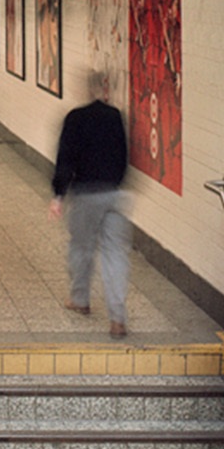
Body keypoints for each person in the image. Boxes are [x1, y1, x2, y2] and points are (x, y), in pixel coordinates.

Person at [49, 68, 131, 338]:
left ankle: (80, 300)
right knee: (115, 254)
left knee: (81, 248)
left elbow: (65, 159)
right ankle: (117, 318)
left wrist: (59, 195)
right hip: (114, 194)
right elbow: (124, 157)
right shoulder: (115, 117)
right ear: (105, 90)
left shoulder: (76, 118)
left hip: (85, 194)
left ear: (87, 89)